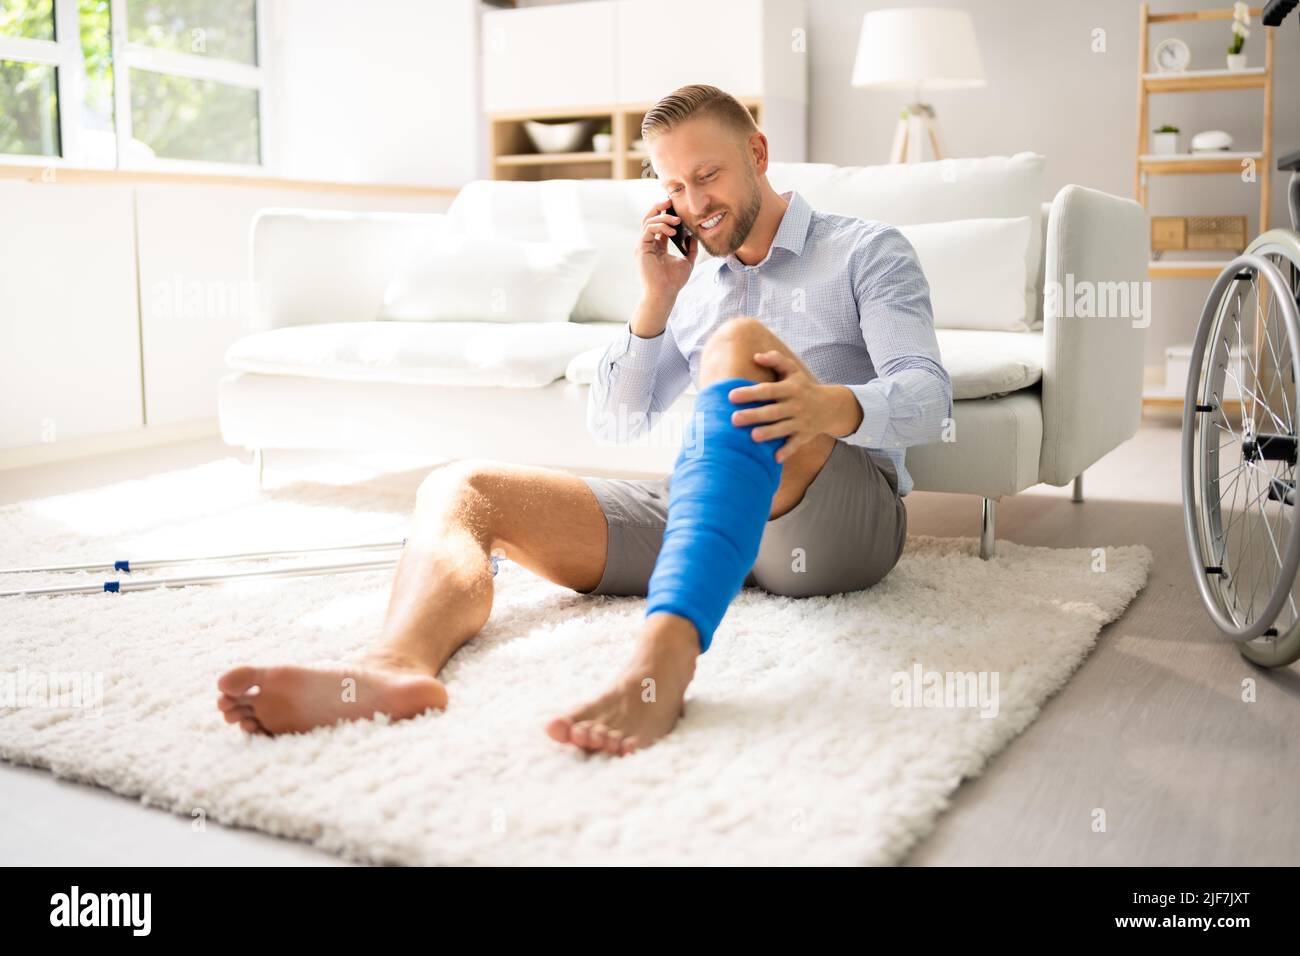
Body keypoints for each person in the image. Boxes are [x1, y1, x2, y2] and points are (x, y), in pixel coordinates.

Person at [217, 83, 952, 756]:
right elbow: (617, 421)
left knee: (740, 346)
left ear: (757, 154)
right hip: (713, 515)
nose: (694, 203)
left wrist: (827, 405)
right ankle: (391, 670)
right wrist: (657, 300)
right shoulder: (691, 285)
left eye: (708, 176)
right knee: (463, 486)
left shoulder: (866, 251)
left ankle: (659, 666)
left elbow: (929, 396)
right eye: (673, 186)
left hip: (835, 518)